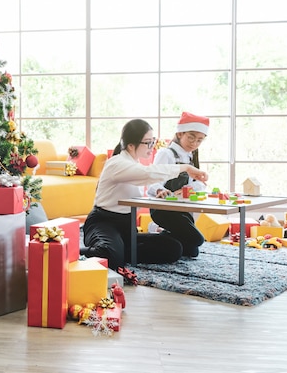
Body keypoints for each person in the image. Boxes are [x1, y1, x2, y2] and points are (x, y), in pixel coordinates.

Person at [81, 118, 208, 276]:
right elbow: (149, 174)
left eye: (152, 141)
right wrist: (185, 168)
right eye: (148, 142)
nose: (152, 146)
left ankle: (120, 250)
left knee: (174, 248)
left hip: (127, 226)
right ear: (131, 145)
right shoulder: (117, 164)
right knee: (111, 257)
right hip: (104, 223)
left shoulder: (135, 164)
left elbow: (147, 174)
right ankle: (77, 251)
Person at [147, 112, 209, 258]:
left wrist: (191, 187)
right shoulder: (166, 154)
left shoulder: (190, 156)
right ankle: (155, 229)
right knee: (197, 239)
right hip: (163, 210)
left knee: (191, 252)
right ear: (180, 133)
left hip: (182, 209)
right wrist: (161, 190)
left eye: (199, 140)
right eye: (191, 137)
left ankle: (163, 233)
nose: (194, 143)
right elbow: (152, 181)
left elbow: (200, 185)